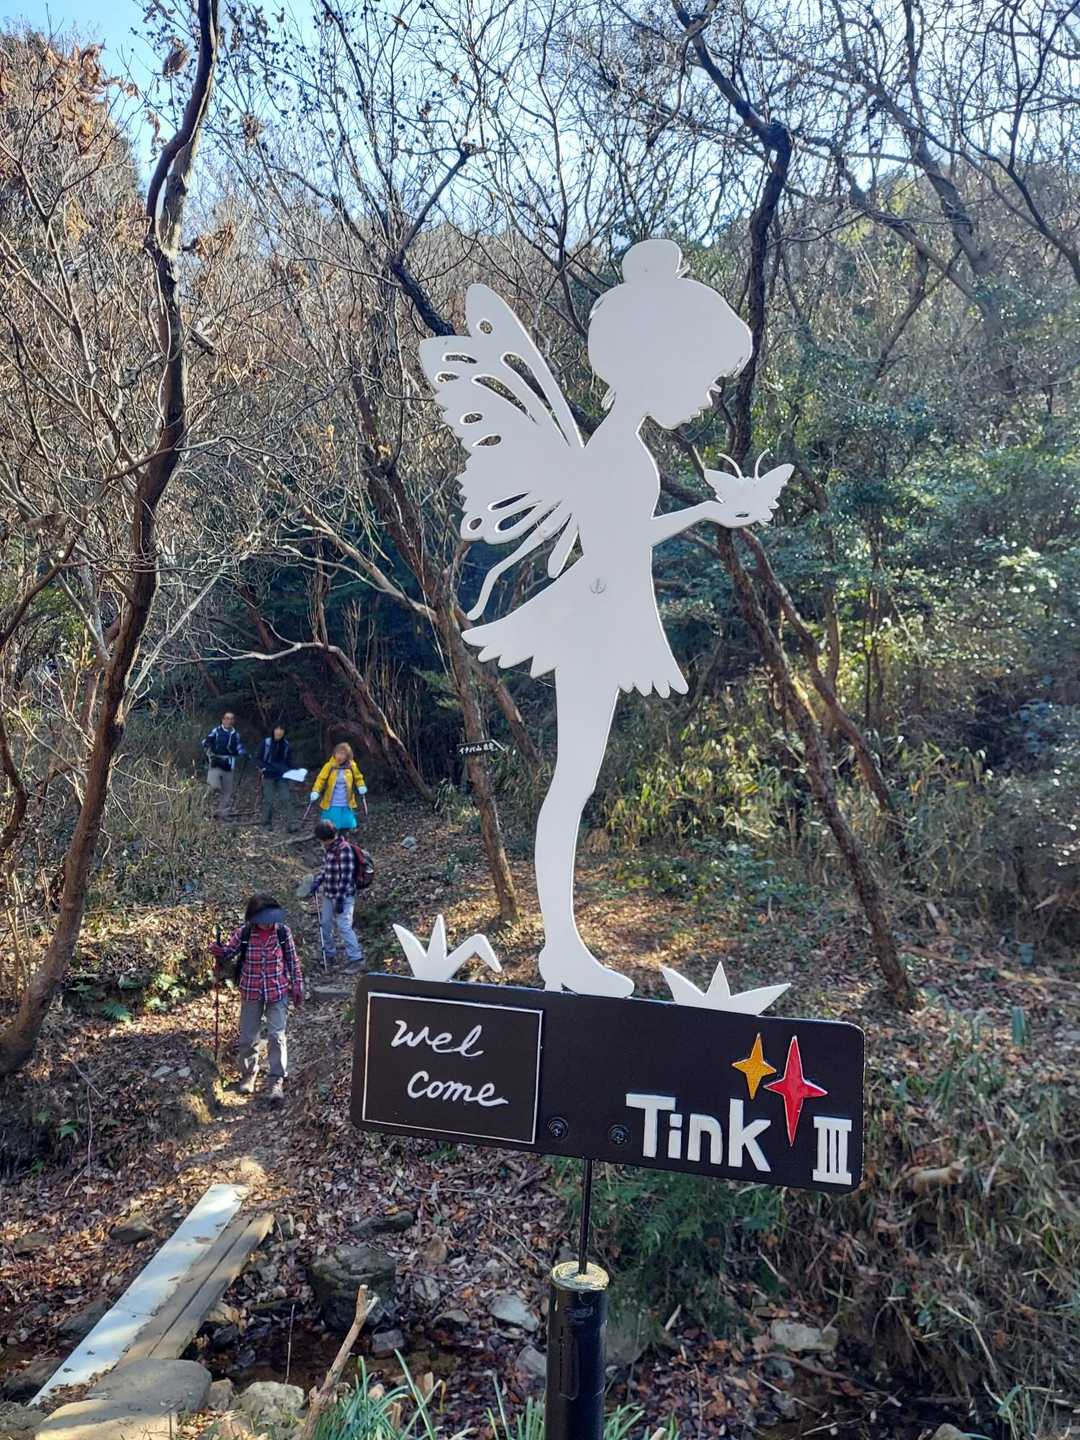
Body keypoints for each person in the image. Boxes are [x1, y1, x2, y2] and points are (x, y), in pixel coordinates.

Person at [211, 894, 303, 1103]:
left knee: (276, 1036)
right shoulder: (244, 933)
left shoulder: (282, 932)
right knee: (248, 1036)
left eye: (271, 919)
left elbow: (292, 960)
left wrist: (298, 984)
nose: (268, 923)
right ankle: (248, 1074)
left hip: (277, 990)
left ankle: (276, 1079)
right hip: (251, 990)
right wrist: (219, 952)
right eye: (263, 919)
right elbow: (228, 953)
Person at [311, 820, 364, 970]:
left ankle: (356, 958)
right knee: (325, 924)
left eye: (321, 840)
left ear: (326, 838)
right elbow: (326, 869)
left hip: (344, 896)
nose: (321, 843)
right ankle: (329, 954)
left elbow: (346, 877)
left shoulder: (344, 849)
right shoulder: (329, 849)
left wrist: (340, 900)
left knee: (344, 926)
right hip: (328, 894)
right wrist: (318, 881)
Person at [309, 742, 367, 831]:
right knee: (331, 825)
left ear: (347, 756)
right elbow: (320, 779)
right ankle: (332, 837)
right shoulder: (329, 766)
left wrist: (361, 786)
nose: (340, 756)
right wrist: (315, 791)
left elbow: (358, 778)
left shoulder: (352, 766)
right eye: (338, 753)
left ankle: (344, 837)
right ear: (334, 753)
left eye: (343, 754)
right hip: (332, 801)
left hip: (346, 801)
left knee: (346, 823)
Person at [202, 711, 245, 820]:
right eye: (227, 718)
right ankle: (203, 810)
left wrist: (243, 753)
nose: (229, 721)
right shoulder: (216, 731)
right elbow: (205, 742)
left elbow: (239, 747)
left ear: (233, 721)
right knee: (212, 787)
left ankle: (222, 813)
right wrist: (208, 747)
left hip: (229, 764)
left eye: (231, 719)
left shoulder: (236, 734)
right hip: (216, 762)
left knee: (227, 790)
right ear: (223, 720)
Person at [258, 725, 294, 829]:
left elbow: (289, 761)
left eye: (281, 729)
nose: (279, 732)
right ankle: (266, 823)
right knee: (268, 799)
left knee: (286, 798)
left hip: (281, 776)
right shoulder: (266, 743)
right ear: (273, 730)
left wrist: (293, 771)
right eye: (277, 729)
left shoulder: (286, 745)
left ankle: (291, 824)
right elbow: (258, 758)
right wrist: (262, 767)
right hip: (268, 775)